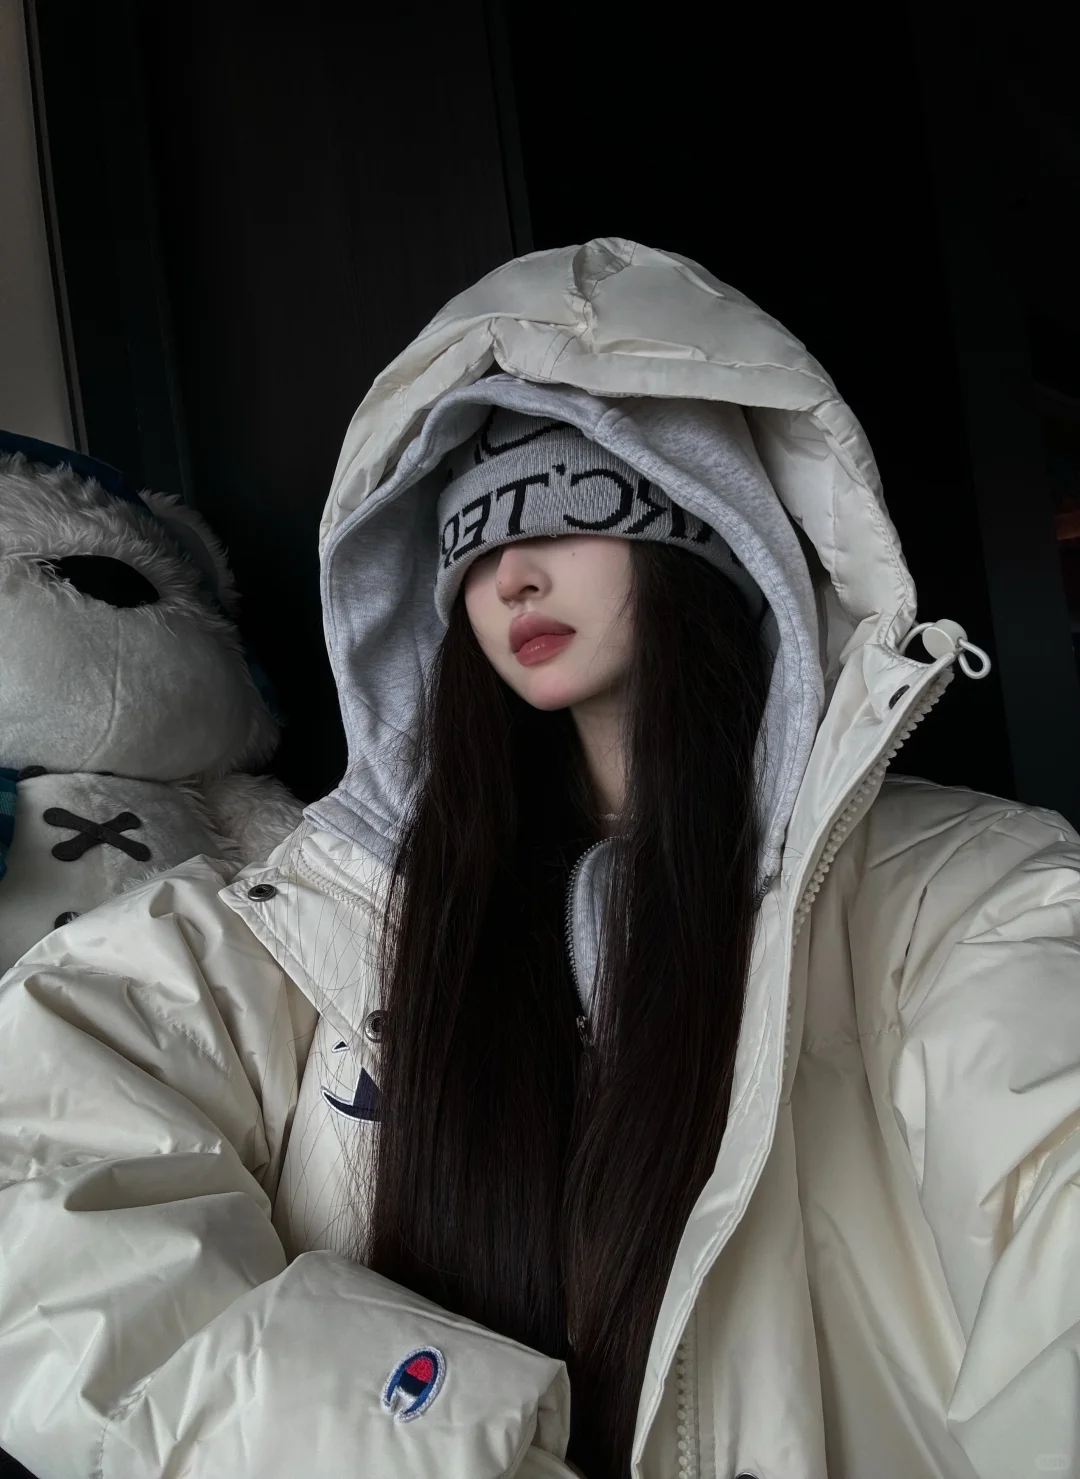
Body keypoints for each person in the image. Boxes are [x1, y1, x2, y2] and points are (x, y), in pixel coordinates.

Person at [0, 239, 1078, 1479]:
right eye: (473, 537)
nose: (510, 572)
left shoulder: (957, 895)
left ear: (718, 533)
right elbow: (42, 1173)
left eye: (570, 507)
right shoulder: (315, 922)